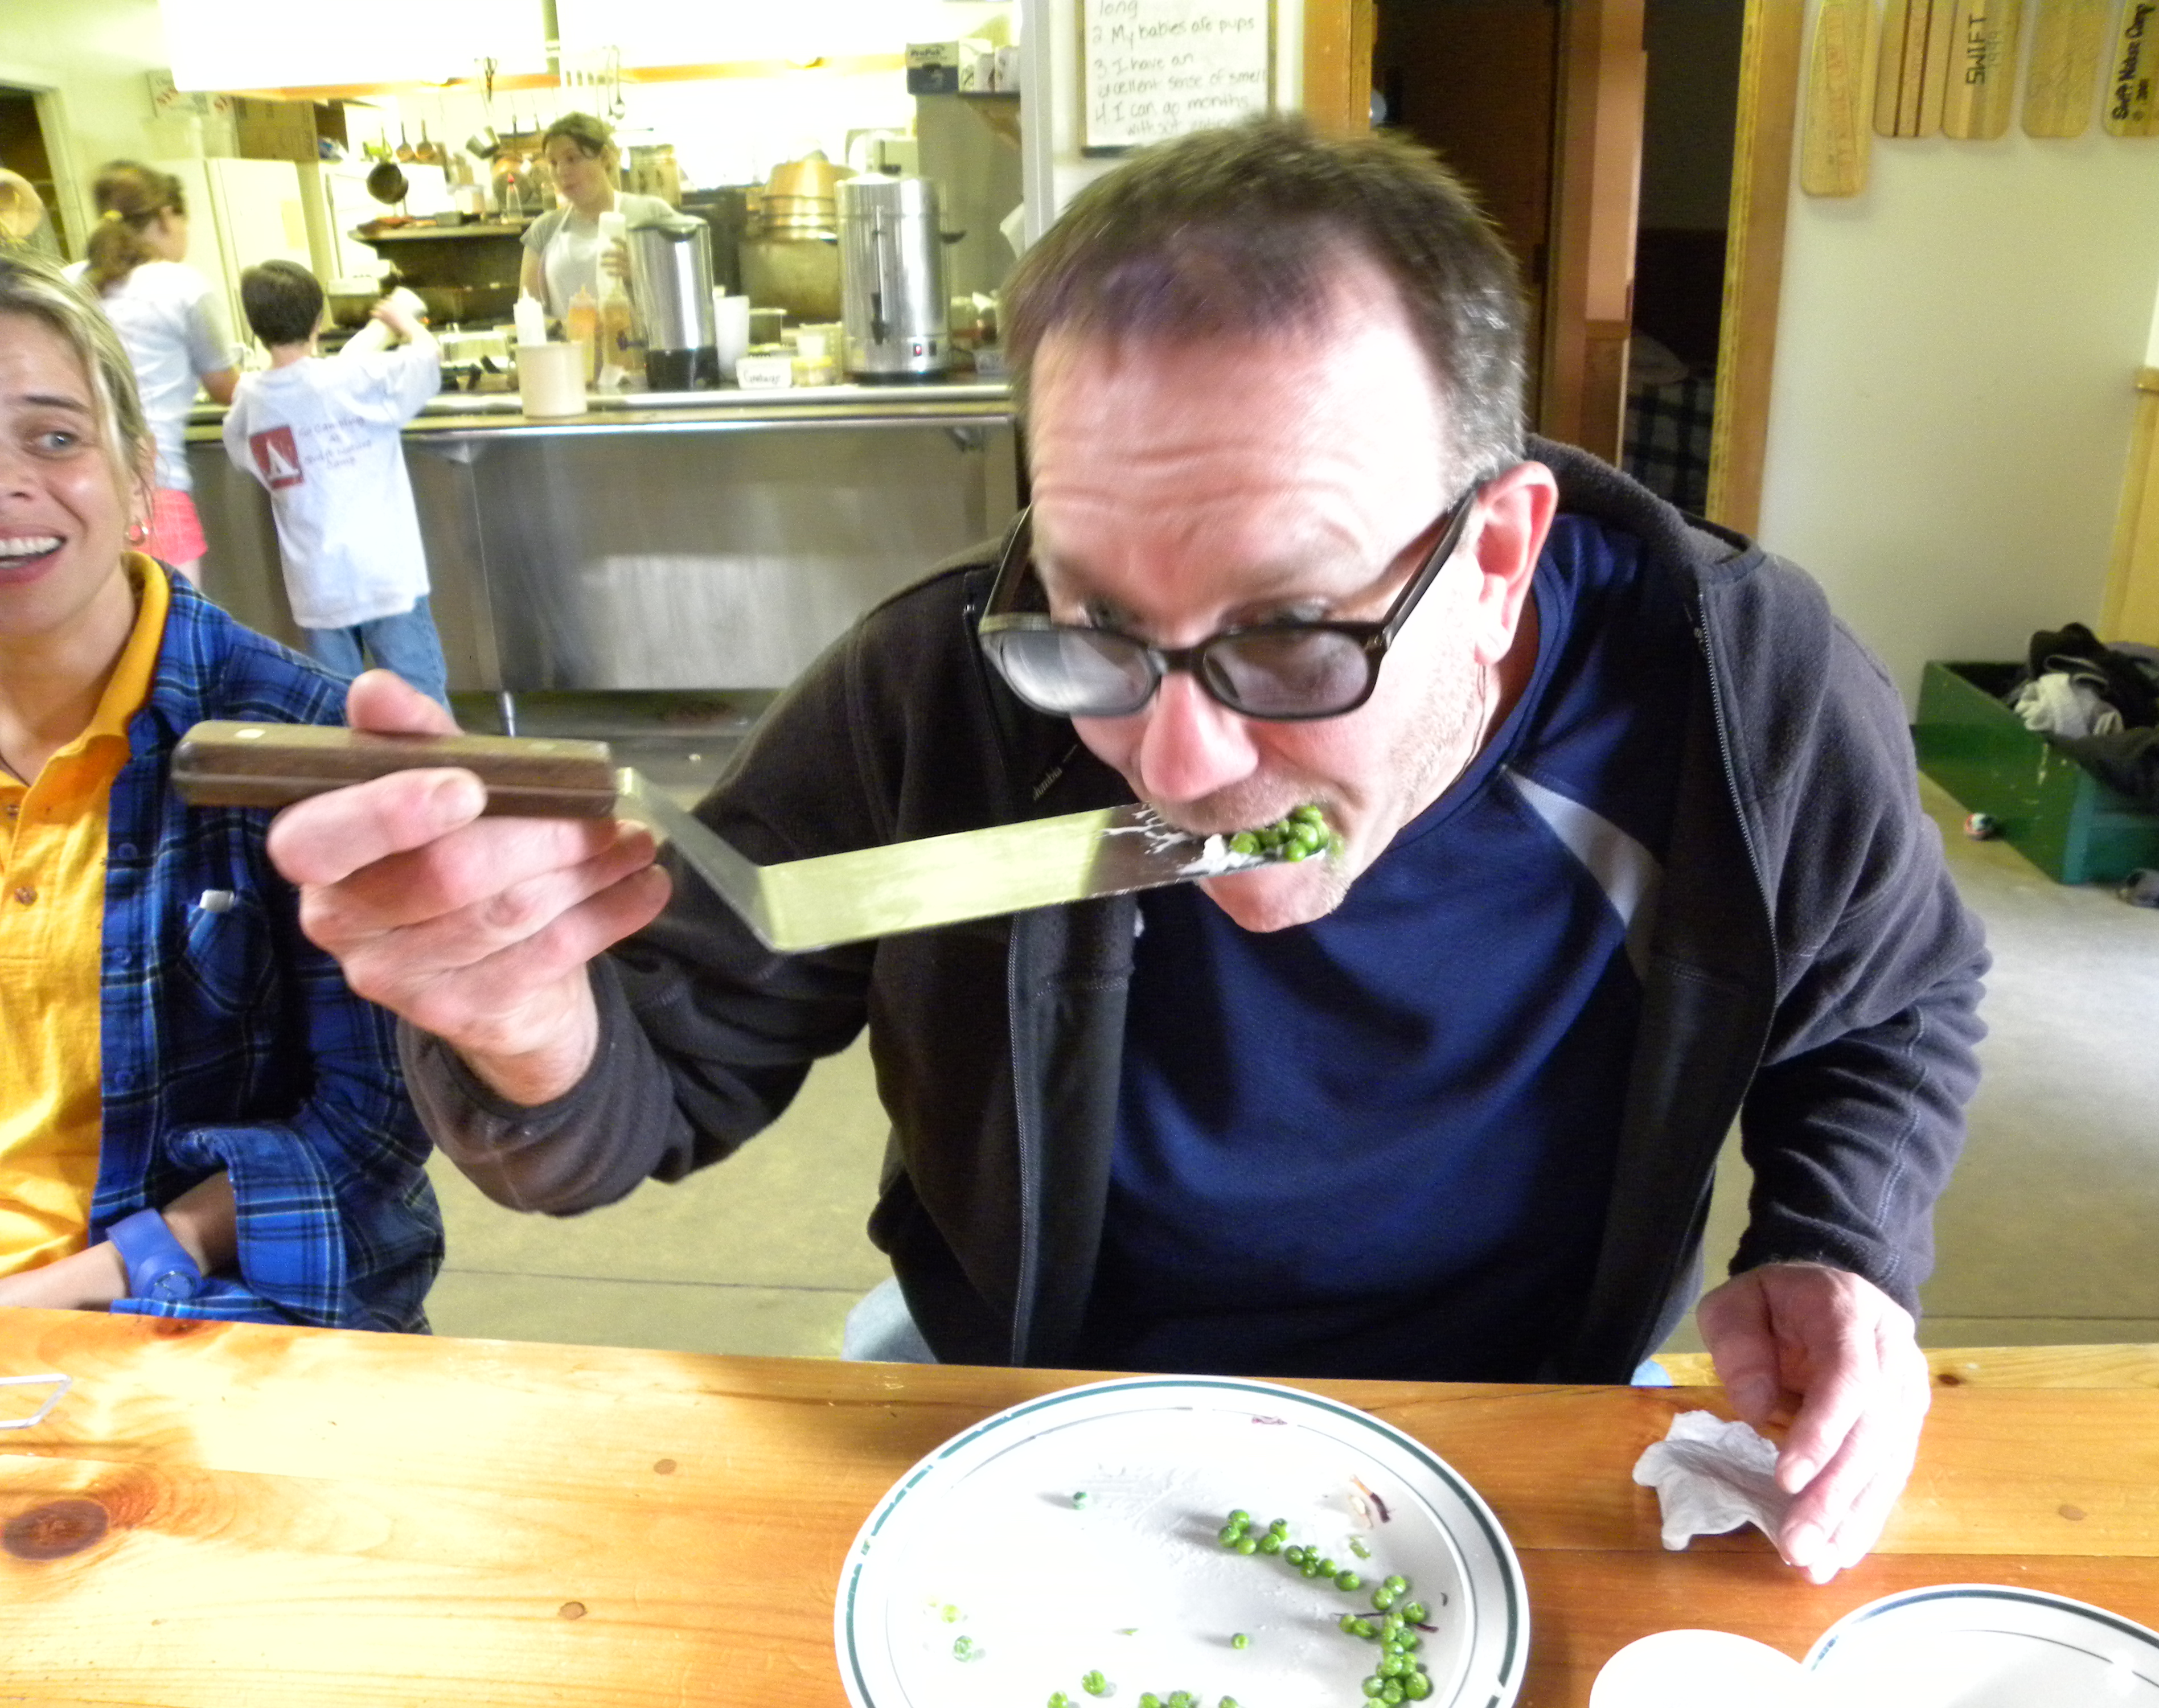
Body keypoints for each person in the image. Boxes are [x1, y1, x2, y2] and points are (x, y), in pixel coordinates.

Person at [265, 121, 1988, 1576]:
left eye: (1290, 636)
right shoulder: (940, 684)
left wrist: (1839, 1242)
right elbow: (638, 1099)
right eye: (1093, 624)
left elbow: (1889, 1000)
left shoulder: (1735, 696)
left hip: (1517, 1413)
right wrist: (523, 1022)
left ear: (1496, 559)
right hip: (1015, 1387)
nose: (1173, 759)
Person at [0, 248, 442, 1328]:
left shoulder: (296, 742)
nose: (7, 486)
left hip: (194, 1315)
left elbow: (372, 1123)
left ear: (137, 475)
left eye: (53, 439)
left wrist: (78, 1288)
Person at [221, 262, 448, 705]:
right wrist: (405, 324)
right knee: (420, 701)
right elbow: (428, 358)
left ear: (255, 328)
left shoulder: (251, 397)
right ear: (319, 321)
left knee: (338, 710)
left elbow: (244, 454)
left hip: (319, 585)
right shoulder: (358, 376)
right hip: (387, 575)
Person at [64, 162, 240, 584]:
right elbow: (226, 389)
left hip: (76, 494)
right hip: (155, 493)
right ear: (165, 217)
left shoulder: (66, 283)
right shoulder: (182, 286)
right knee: (170, 620)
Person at [517, 113, 674, 326]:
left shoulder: (652, 214)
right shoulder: (544, 229)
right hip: (569, 347)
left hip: (641, 346)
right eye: (553, 163)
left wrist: (641, 276)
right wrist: (573, 328)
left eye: (572, 159)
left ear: (604, 158)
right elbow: (528, 315)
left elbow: (683, 293)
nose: (562, 171)